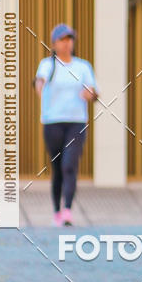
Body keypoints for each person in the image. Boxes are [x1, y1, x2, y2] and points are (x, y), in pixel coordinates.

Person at [34, 24, 98, 226]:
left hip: (76, 122)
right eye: (62, 39)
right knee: (58, 168)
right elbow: (40, 80)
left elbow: (94, 91)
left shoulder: (83, 66)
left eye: (69, 39)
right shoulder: (47, 65)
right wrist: (39, 87)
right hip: (52, 122)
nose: (67, 43)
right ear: (54, 43)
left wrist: (90, 94)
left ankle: (68, 210)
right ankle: (57, 211)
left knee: (69, 165)